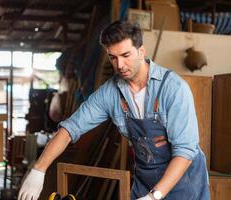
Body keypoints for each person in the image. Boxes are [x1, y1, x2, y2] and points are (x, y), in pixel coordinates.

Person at [18, 21, 210, 200]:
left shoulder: (173, 88)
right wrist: (38, 170)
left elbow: (184, 151)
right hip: (146, 180)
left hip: (185, 182)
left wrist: (154, 197)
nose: (119, 65)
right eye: (113, 57)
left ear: (141, 51)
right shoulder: (110, 93)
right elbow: (70, 129)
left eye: (126, 56)